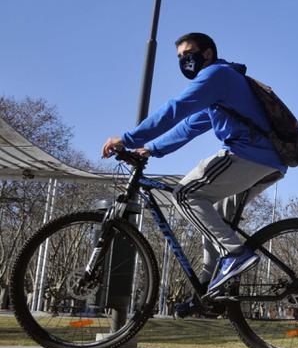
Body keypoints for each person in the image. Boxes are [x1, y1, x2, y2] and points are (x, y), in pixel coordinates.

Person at [102, 32, 286, 311]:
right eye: (178, 57)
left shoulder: (216, 75)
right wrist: (151, 148)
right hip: (268, 162)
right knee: (216, 218)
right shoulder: (222, 86)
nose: (183, 61)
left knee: (186, 194)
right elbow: (189, 126)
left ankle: (235, 255)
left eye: (188, 53)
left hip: (248, 154)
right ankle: (210, 292)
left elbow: (175, 109)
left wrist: (128, 139)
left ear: (208, 53)